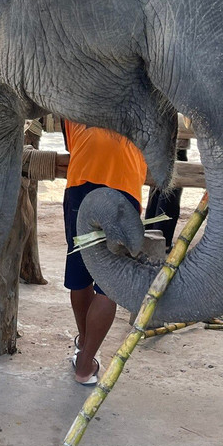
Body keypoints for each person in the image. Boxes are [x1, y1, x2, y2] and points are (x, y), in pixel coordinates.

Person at [61, 119, 147, 385]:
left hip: (81, 184)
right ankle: (85, 362)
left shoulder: (76, 101)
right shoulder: (143, 102)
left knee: (81, 271)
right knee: (108, 283)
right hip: (124, 186)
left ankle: (84, 347)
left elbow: (71, 143)